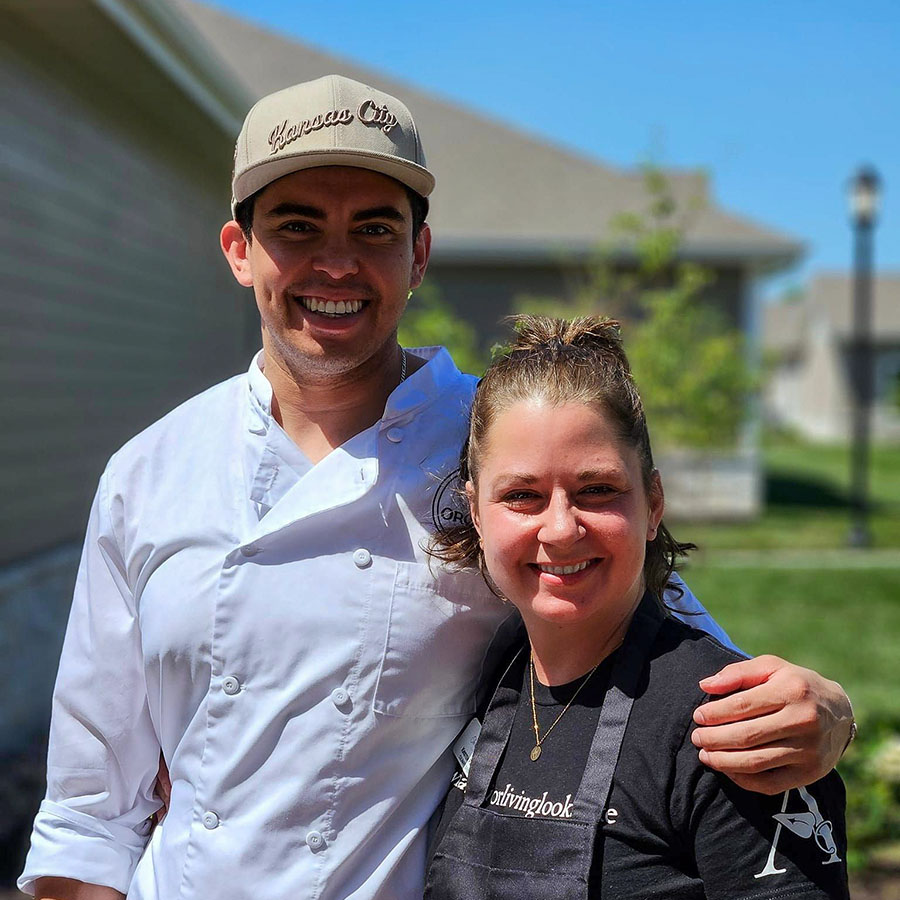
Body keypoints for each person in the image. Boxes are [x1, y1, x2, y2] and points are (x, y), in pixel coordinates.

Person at [20, 76, 853, 900]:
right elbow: (91, 809)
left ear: (419, 254)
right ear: (241, 252)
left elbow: (657, 626)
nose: (337, 262)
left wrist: (825, 711)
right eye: (297, 226)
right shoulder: (150, 471)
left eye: (374, 228)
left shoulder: (497, 449)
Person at [425, 315, 850, 899]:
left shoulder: (733, 726)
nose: (560, 528)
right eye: (521, 495)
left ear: (653, 504)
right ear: (476, 511)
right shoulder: (490, 676)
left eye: (596, 490)